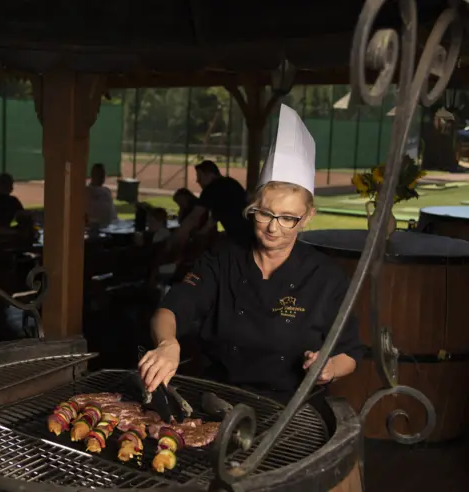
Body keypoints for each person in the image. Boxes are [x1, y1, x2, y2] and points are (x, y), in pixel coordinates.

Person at [139, 105, 363, 406]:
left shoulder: (326, 278)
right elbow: (171, 308)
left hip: (291, 410)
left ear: (307, 217)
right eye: (265, 214)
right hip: (219, 400)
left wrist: (329, 368)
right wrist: (168, 344)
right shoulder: (223, 261)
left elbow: (350, 352)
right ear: (252, 207)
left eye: (288, 218)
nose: (273, 227)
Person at [170, 160, 252, 251]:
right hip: (250, 233)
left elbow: (194, 217)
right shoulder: (231, 183)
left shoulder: (211, 189)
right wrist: (202, 232)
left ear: (209, 174)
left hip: (241, 239)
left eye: (200, 176)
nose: (198, 181)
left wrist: (176, 236)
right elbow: (216, 216)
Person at [85, 163, 118, 227]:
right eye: (99, 174)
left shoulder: (106, 192)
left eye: (103, 175)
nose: (101, 177)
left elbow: (113, 214)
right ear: (92, 175)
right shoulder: (86, 191)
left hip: (110, 227)